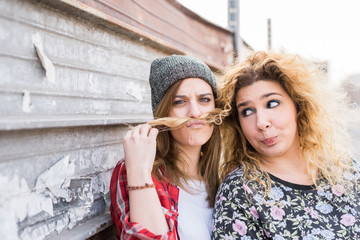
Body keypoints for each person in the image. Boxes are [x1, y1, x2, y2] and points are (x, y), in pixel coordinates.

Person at [211, 50, 360, 239]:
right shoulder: (240, 192)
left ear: (298, 105)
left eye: (272, 103)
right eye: (247, 111)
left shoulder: (346, 171)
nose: (261, 122)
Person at [110, 55, 222, 239]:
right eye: (179, 101)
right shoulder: (137, 172)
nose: (195, 112)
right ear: (163, 112)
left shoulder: (224, 178)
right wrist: (139, 171)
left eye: (204, 100)